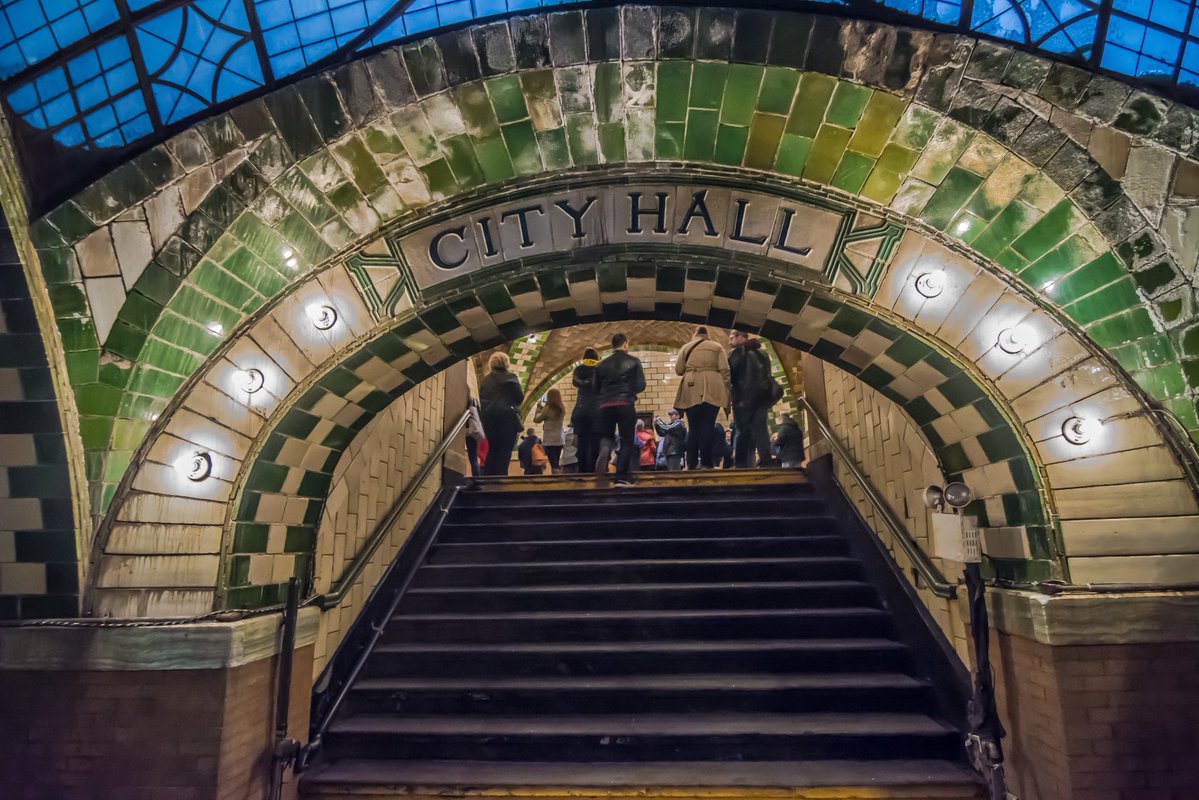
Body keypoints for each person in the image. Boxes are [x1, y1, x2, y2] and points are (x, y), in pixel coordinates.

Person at [674, 326, 730, 469]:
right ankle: (706, 462)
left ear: (696, 334)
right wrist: (728, 389)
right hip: (713, 387)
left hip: (691, 387)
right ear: (707, 335)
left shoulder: (686, 347)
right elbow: (725, 370)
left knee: (693, 427)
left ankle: (691, 462)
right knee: (708, 425)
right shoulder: (717, 347)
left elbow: (679, 370)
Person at [593, 333, 646, 485]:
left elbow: (595, 388)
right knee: (627, 440)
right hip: (625, 404)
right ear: (624, 344)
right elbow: (641, 385)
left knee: (607, 436)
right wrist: (629, 391)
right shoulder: (634, 361)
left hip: (605, 405)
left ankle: (604, 451)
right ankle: (621, 477)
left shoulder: (601, 364)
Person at [728, 330, 775, 468]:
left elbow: (730, 376)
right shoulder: (762, 354)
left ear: (741, 337)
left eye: (732, 338)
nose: (729, 341)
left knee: (742, 430)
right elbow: (768, 375)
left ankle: (741, 464)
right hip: (761, 398)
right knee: (761, 429)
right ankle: (766, 461)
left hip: (742, 398)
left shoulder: (736, 353)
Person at [479, 351, 524, 475]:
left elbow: (482, 399)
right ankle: (500, 479)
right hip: (507, 419)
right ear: (506, 363)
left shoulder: (485, 380)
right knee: (505, 450)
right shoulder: (511, 377)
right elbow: (519, 398)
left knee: (492, 449)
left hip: (489, 419)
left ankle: (488, 479)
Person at [571, 347, 602, 473]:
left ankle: (582, 473)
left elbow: (576, 383)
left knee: (582, 446)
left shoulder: (578, 370)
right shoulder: (600, 371)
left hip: (581, 411)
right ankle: (594, 473)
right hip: (597, 412)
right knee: (595, 445)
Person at [534, 388, 566, 473]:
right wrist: (543, 408)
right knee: (556, 463)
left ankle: (557, 482)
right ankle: (556, 479)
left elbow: (537, 419)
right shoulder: (562, 408)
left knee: (553, 464)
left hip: (549, 440)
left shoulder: (548, 408)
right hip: (559, 439)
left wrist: (538, 409)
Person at [464, 397, 484, 477]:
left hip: (470, 434)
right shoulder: (479, 413)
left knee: (473, 459)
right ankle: (477, 476)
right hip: (476, 435)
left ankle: (476, 477)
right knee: (474, 458)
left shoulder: (470, 411)